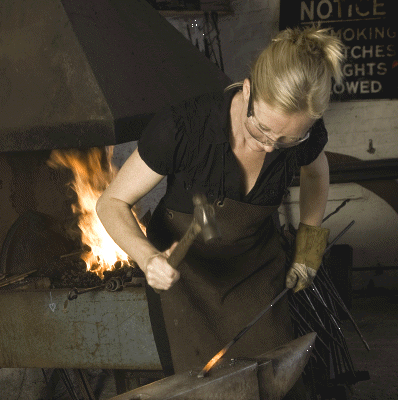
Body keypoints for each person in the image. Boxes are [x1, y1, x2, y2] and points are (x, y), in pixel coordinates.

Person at [96, 25, 344, 389]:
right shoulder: (182, 128)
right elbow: (111, 203)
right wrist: (147, 258)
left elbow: (316, 173)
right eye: (262, 129)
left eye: (287, 140)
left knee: (272, 382)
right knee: (200, 387)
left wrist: (309, 248)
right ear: (248, 90)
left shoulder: (304, 136)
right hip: (186, 278)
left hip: (255, 270)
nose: (270, 147)